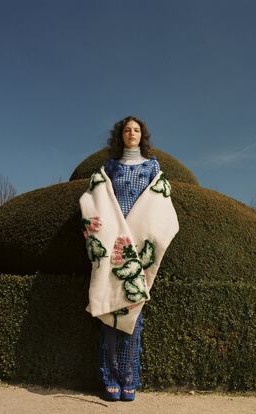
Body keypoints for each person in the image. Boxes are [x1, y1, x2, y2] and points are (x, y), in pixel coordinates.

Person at [98, 115, 160, 401]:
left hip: (137, 247)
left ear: (141, 135)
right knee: (110, 312)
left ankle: (129, 377)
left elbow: (157, 204)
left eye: (136, 130)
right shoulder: (110, 167)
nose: (132, 133)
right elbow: (99, 200)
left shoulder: (152, 166)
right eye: (127, 129)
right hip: (113, 245)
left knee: (134, 314)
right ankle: (109, 376)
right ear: (120, 135)